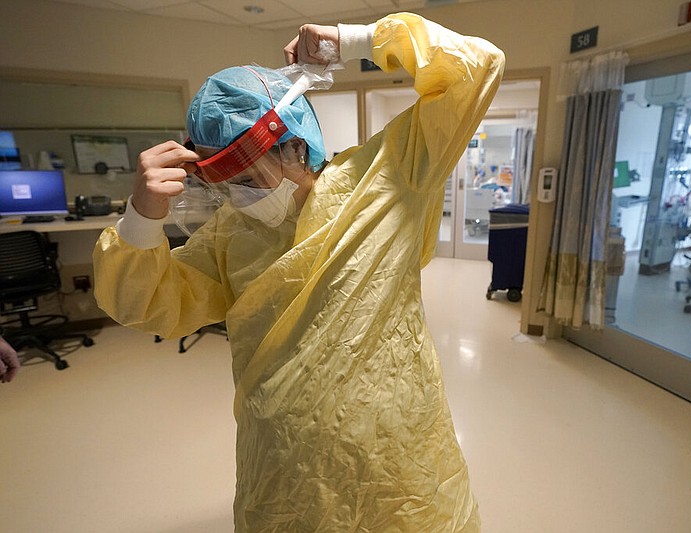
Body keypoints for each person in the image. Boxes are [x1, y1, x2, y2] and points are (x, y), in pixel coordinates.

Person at [94, 12, 504, 532]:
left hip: (402, 466)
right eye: (229, 183)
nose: (242, 195)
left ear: (296, 145)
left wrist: (356, 41)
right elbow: (149, 304)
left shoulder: (389, 176)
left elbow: (477, 68)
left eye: (253, 175)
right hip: (287, 477)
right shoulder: (230, 233)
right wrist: (141, 216)